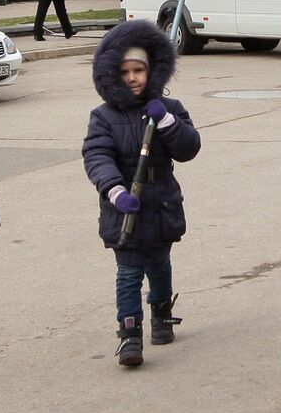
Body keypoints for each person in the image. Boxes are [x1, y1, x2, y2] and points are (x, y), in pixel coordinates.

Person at [84, 19, 202, 368]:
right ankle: (130, 334)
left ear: (153, 72)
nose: (133, 77)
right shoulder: (103, 116)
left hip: (161, 202)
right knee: (129, 272)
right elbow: (96, 155)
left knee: (159, 264)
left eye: (139, 70)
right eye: (125, 71)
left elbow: (189, 148)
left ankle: (162, 313)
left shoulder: (169, 109)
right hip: (124, 206)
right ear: (112, 74)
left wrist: (166, 121)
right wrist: (115, 191)